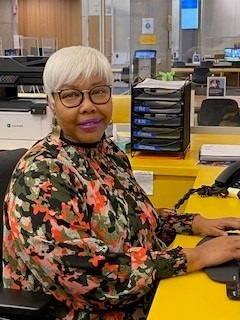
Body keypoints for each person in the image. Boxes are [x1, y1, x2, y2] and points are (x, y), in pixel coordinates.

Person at [3, 45, 240, 320]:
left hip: (140, 295)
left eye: (99, 91)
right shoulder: (40, 177)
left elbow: (132, 221)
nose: (89, 105)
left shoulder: (108, 152)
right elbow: (94, 278)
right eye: (71, 96)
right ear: (51, 104)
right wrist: (196, 257)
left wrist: (193, 223)